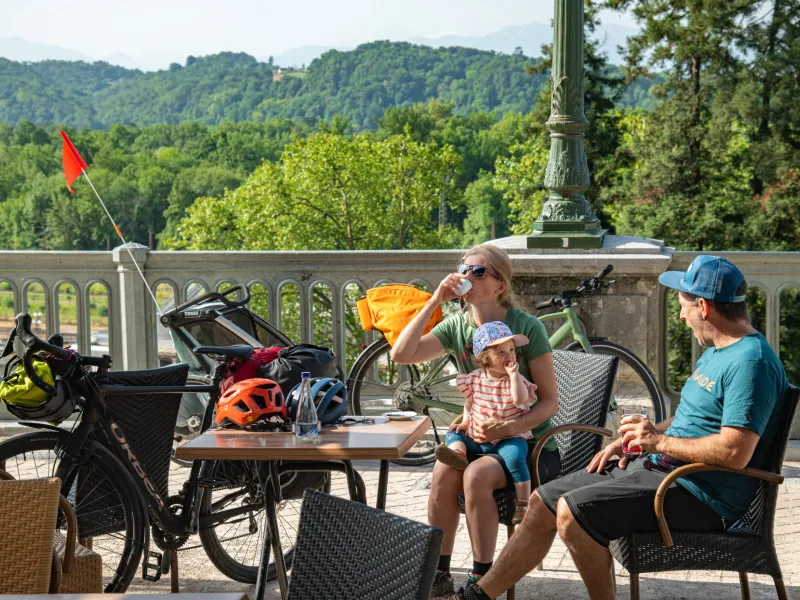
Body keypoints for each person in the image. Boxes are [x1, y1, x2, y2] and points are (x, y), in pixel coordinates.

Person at [450, 255, 790, 600]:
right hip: (665, 470)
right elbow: (693, 419)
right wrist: (639, 439)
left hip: (699, 494)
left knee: (572, 514)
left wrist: (658, 442)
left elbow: (734, 452)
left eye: (683, 306)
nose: (681, 315)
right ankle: (477, 596)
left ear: (703, 306)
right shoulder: (719, 350)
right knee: (543, 501)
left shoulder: (751, 362)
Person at [390, 243, 560, 598]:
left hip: (529, 443)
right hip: (480, 436)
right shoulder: (457, 326)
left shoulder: (525, 328)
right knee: (442, 472)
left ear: (500, 285)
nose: (466, 276)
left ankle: (480, 580)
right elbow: (401, 354)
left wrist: (509, 427)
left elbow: (549, 403)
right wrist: (435, 299)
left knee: (476, 473)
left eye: (478, 271)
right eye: (463, 269)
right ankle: (438, 572)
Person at [435, 321, 539, 525]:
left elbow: (519, 400)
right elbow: (469, 402)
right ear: (484, 357)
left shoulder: (515, 381)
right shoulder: (475, 379)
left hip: (508, 437)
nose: (509, 356)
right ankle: (459, 454)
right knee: (453, 433)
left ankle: (523, 503)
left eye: (511, 350)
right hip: (477, 435)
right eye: (501, 352)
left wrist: (514, 375)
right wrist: (465, 422)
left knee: (516, 457)